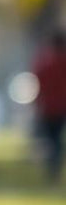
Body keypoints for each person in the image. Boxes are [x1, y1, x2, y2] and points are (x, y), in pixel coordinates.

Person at [31, 28, 66, 182]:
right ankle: (55, 166)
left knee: (51, 139)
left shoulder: (44, 62)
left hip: (47, 108)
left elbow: (37, 84)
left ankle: (52, 167)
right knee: (56, 139)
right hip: (62, 107)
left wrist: (37, 103)